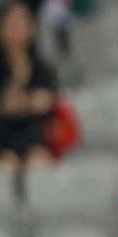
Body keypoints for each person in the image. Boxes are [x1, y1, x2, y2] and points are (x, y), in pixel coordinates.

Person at [0, 0, 57, 170]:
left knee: (38, 164)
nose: (18, 26)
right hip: (2, 134)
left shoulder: (40, 65)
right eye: (13, 21)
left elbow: (47, 101)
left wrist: (18, 103)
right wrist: (28, 102)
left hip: (33, 134)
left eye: (23, 20)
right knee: (5, 166)